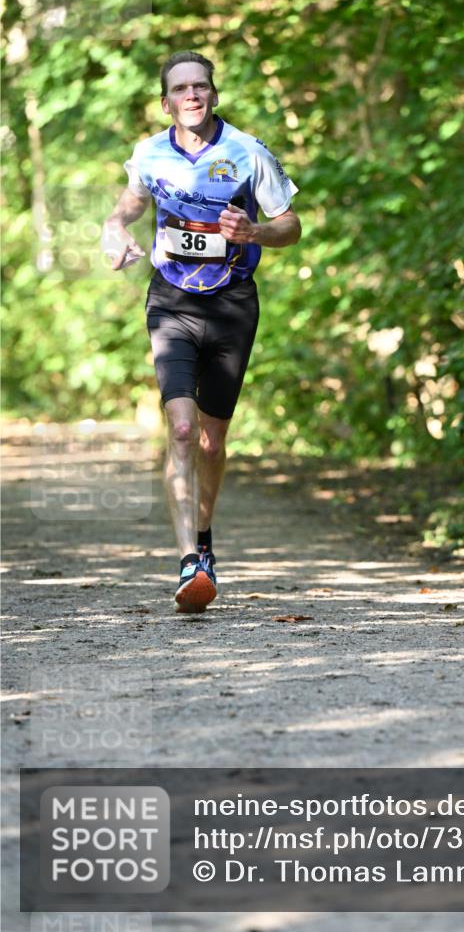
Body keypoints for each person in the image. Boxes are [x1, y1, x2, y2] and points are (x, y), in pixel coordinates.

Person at [102, 51, 301, 614]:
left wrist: (254, 229)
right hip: (171, 301)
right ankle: (189, 559)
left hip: (234, 305)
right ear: (166, 102)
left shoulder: (248, 151)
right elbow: (128, 207)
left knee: (213, 438)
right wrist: (114, 229)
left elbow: (292, 226)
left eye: (201, 87)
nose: (191, 95)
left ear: (213, 95)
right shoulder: (150, 153)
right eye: (180, 89)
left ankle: (205, 542)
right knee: (183, 430)